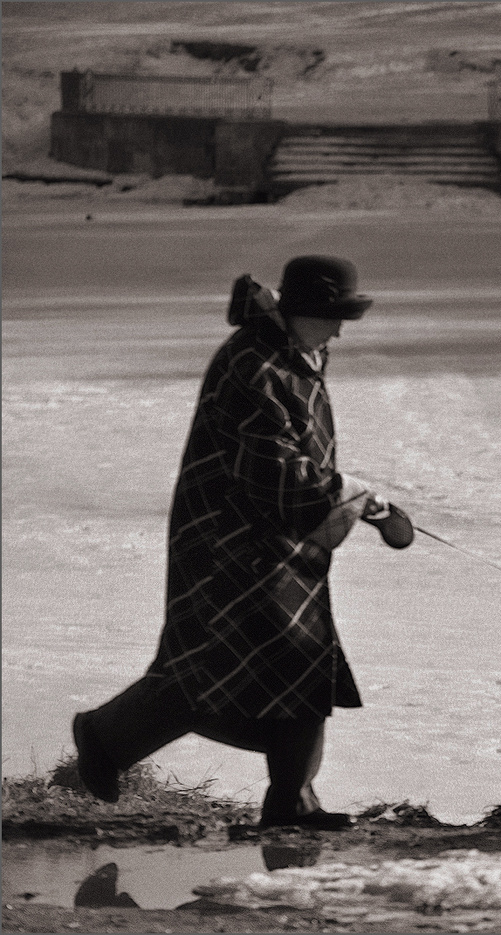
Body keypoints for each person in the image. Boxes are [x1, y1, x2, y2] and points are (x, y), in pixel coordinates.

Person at [71, 255, 413, 830]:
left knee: (301, 666)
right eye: (332, 316)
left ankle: (292, 801)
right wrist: (360, 500)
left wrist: (358, 504)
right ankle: (103, 738)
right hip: (227, 548)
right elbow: (275, 474)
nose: (338, 330)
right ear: (301, 311)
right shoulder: (254, 367)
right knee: (213, 671)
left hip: (280, 545)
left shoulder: (294, 354)